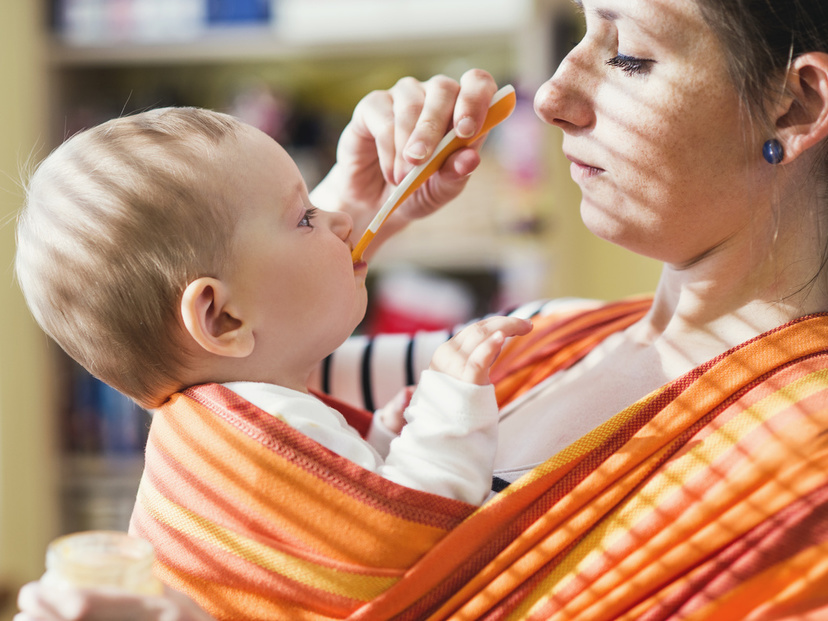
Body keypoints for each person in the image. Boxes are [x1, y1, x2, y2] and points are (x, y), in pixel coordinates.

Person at [16, 0, 828, 618]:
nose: (550, 96)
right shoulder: (544, 334)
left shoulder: (804, 471)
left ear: (797, 106)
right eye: (577, 31)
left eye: (628, 56)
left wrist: (296, 228)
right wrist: (347, 211)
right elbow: (232, 383)